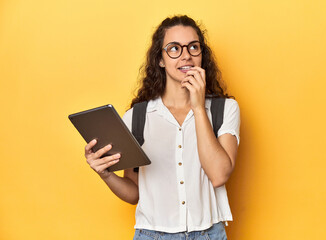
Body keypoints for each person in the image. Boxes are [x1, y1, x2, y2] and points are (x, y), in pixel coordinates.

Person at [84, 15, 240, 240]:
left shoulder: (225, 109)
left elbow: (218, 175)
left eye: (193, 47)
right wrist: (105, 174)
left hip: (209, 234)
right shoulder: (137, 117)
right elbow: (133, 191)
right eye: (174, 48)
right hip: (152, 235)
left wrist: (198, 109)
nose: (186, 55)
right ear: (160, 59)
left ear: (201, 55)